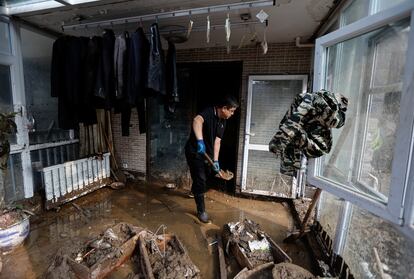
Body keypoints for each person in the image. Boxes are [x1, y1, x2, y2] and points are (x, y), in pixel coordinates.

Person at [185, 95, 239, 223]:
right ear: (224, 108)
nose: (232, 114)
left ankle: (194, 190)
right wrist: (200, 141)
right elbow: (197, 121)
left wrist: (215, 160)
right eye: (231, 111)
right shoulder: (209, 112)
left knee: (207, 175)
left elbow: (217, 142)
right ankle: (201, 211)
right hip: (195, 151)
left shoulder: (223, 121)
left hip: (206, 153)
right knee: (200, 179)